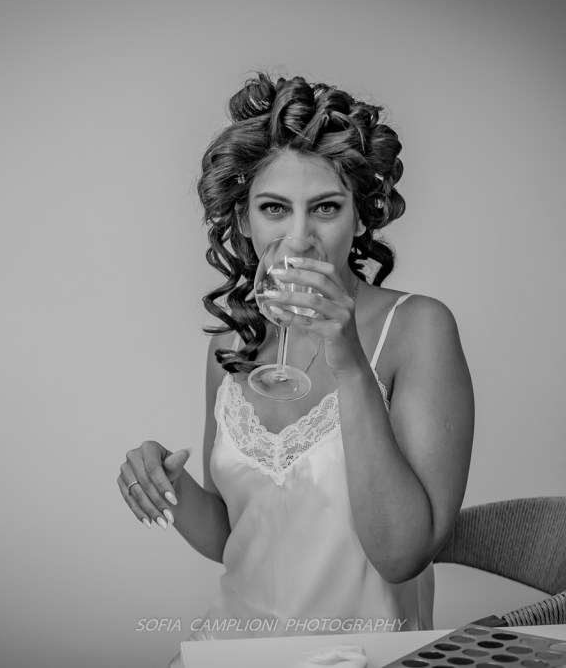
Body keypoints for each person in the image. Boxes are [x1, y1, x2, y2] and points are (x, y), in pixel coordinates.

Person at [117, 73, 474, 666]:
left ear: (360, 217)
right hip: (232, 650)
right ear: (245, 220)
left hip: (362, 655)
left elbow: (402, 556)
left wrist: (349, 360)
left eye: (326, 208)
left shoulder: (418, 328)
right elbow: (235, 537)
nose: (299, 238)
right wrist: (166, 483)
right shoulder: (232, 344)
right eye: (274, 209)